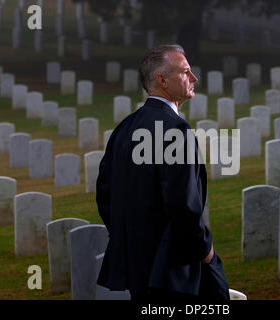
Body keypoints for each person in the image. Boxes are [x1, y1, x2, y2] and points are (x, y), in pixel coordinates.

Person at [96, 44, 230, 301]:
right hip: (173, 270)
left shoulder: (125, 128)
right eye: (186, 72)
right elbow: (183, 205)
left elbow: (105, 196)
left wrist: (133, 237)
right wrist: (207, 253)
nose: (194, 79)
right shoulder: (175, 129)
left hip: (137, 265)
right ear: (163, 80)